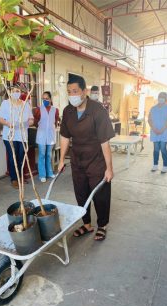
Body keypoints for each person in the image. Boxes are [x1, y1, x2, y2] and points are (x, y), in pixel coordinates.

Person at [58, 75, 115, 241]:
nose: (72, 94)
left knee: (100, 195)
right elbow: (65, 137)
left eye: (75, 91)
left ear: (84, 91)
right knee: (81, 193)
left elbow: (105, 141)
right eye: (69, 92)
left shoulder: (98, 110)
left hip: (96, 160)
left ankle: (102, 225)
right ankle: (86, 224)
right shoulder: (68, 111)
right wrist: (62, 160)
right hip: (77, 159)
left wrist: (109, 168)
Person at [0, 84, 34, 189]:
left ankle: (20, 177)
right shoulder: (5, 103)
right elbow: (0, 118)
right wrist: (9, 124)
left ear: (21, 92)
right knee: (13, 157)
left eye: (18, 91)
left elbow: (31, 119)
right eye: (14, 91)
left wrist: (28, 123)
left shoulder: (25, 104)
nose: (16, 93)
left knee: (21, 157)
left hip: (22, 135)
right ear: (10, 92)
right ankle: (14, 179)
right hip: (10, 136)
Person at [34, 91, 60, 183]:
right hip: (41, 135)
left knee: (48, 155)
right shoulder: (38, 109)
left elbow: (56, 121)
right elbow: (35, 122)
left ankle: (49, 172)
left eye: (46, 98)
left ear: (50, 99)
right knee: (42, 155)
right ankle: (42, 175)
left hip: (50, 135)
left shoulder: (55, 110)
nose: (45, 100)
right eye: (43, 99)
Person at [149, 92, 167, 173]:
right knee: (155, 149)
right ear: (158, 98)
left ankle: (165, 166)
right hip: (154, 131)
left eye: (163, 97)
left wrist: (162, 130)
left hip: (164, 132)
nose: (161, 98)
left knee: (163, 149)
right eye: (160, 97)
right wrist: (154, 129)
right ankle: (155, 165)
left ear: (166, 99)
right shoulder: (153, 108)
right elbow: (149, 120)